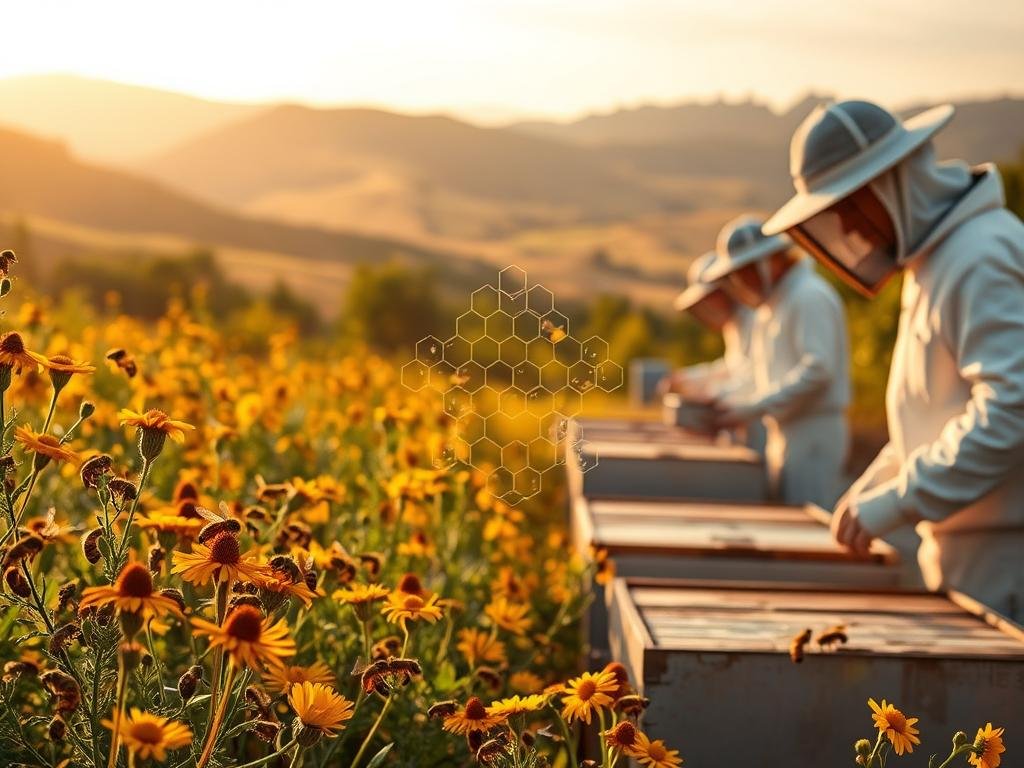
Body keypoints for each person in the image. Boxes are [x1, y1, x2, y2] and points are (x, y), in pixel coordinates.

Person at [762, 99, 1024, 619]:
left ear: (890, 183)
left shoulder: (981, 255)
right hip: (969, 548)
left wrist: (903, 498)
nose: (850, 232)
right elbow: (937, 415)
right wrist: (880, 483)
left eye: (849, 206)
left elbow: (1011, 406)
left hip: (1006, 558)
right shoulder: (939, 261)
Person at [705, 216, 851, 508]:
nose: (742, 283)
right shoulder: (775, 306)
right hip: (785, 432)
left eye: (745, 272)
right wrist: (725, 401)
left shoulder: (809, 296)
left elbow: (818, 370)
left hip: (813, 433)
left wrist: (754, 407)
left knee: (804, 530)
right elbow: (758, 373)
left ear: (769, 261)